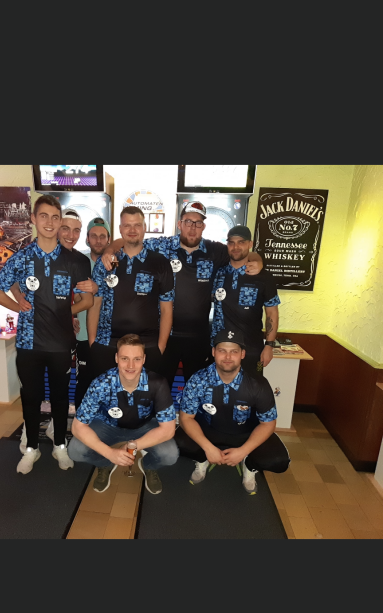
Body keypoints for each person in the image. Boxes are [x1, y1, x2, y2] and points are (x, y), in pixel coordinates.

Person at [102, 201, 263, 389]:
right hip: (166, 335)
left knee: (197, 389)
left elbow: (241, 253)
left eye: (197, 223)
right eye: (188, 222)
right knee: (160, 387)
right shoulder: (163, 245)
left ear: (203, 226)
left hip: (199, 337)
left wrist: (258, 261)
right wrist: (109, 250)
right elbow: (130, 240)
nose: (192, 228)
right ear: (179, 224)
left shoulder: (214, 251)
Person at [0, 194, 94, 474]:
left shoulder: (75, 261)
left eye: (55, 217)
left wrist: (64, 312)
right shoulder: (21, 258)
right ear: (34, 219)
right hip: (28, 343)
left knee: (60, 398)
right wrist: (19, 306)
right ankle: (31, 448)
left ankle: (60, 445)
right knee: (31, 397)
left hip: (61, 343)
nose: (49, 222)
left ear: (60, 222)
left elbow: (87, 301)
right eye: (44, 216)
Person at [177, 328, 290, 491]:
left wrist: (244, 451)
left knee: (279, 461)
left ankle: (249, 465)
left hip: (245, 434)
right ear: (214, 352)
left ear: (242, 354)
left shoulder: (258, 384)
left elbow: (268, 423)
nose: (228, 357)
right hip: (209, 431)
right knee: (175, 442)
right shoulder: (197, 380)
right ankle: (203, 458)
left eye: (234, 351)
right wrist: (208, 448)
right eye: (222, 351)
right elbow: (186, 418)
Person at [68, 333, 178, 495]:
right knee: (75, 450)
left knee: (170, 454)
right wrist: (109, 453)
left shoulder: (157, 383)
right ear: (116, 358)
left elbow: (168, 430)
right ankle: (105, 464)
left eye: (137, 359)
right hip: (107, 425)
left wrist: (135, 445)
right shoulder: (101, 383)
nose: (131, 365)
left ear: (144, 359)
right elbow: (77, 427)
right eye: (125, 358)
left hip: (144, 426)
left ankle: (148, 465)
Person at [87, 206, 174, 379]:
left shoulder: (160, 262)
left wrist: (160, 346)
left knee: (144, 394)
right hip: (107, 343)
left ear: (145, 228)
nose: (132, 230)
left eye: (137, 225)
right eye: (127, 225)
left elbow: (167, 308)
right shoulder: (106, 262)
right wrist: (92, 341)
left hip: (147, 345)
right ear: (120, 229)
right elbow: (95, 303)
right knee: (107, 393)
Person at [211, 225, 280, 374]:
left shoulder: (264, 277)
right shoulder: (218, 273)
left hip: (251, 348)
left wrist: (269, 345)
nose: (235, 247)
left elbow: (272, 313)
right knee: (218, 387)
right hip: (220, 348)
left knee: (252, 387)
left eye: (241, 242)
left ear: (250, 244)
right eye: (231, 242)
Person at [73, 217, 112, 408]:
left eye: (102, 236)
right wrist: (71, 316)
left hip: (111, 337)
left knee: (109, 384)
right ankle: (81, 421)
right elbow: (70, 296)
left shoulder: (116, 263)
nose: (98, 240)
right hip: (83, 335)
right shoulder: (79, 262)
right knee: (84, 382)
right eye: (94, 236)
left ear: (109, 239)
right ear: (87, 238)